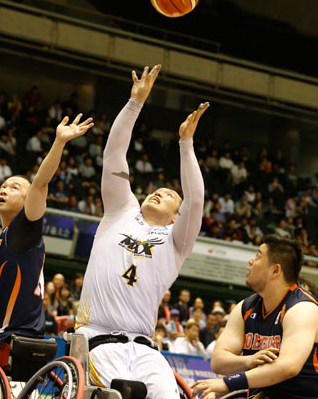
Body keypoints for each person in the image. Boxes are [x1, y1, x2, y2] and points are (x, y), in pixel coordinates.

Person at [73, 64, 209, 399]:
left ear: (177, 217)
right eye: (158, 189)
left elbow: (196, 200)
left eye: (170, 195)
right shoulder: (121, 211)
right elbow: (114, 155)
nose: (160, 191)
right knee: (120, 395)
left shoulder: (177, 241)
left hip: (145, 349)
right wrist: (135, 104)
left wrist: (186, 143)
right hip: (95, 339)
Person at [0, 111, 94, 370]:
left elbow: (40, 184)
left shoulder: (24, 228)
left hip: (16, 339)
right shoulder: (7, 236)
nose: (4, 189)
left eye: (14, 187)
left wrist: (59, 142)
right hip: (6, 334)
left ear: (27, 201)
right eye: (3, 185)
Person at [192, 235, 318, 399]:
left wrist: (228, 383)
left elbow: (288, 366)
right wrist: (248, 361)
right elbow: (218, 361)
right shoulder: (245, 308)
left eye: (258, 256)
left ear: (275, 270)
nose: (250, 261)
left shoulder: (302, 309)